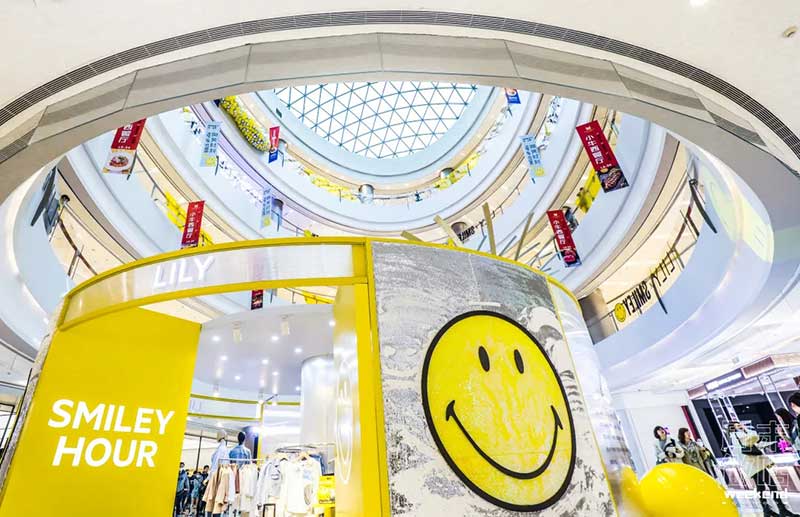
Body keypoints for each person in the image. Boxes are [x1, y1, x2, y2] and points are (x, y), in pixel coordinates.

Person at [728, 421, 799, 517]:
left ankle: (767, 510)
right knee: (770, 484)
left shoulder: (737, 436)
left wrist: (769, 442)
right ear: (733, 428)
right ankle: (781, 509)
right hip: (753, 464)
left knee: (761, 486)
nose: (741, 425)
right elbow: (754, 437)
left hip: (753, 464)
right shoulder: (737, 435)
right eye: (738, 425)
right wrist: (745, 429)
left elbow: (755, 443)